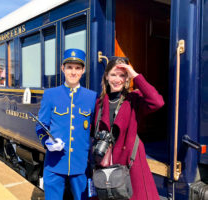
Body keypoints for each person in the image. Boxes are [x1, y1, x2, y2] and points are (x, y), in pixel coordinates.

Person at [93, 57, 164, 200]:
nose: (117, 79)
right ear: (106, 76)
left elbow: (157, 102)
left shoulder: (134, 99)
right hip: (106, 164)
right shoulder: (99, 103)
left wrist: (134, 75)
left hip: (131, 164)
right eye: (113, 74)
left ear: (127, 79)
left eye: (122, 75)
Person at [36, 48, 97, 200]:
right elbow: (40, 125)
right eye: (69, 67)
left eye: (77, 68)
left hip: (81, 165)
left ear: (83, 71)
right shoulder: (50, 95)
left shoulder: (92, 97)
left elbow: (94, 130)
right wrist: (47, 141)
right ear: (62, 68)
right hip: (55, 164)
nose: (73, 72)